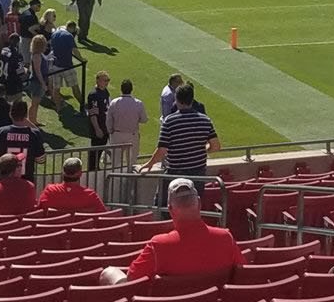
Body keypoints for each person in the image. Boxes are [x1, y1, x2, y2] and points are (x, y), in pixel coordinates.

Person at [98, 179, 242, 282]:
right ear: (199, 204)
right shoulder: (225, 238)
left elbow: (130, 282)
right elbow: (243, 272)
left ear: (170, 209)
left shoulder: (159, 245)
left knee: (108, 273)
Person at [146, 82, 219, 193]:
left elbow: (162, 150)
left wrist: (150, 163)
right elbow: (216, 146)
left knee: (164, 204)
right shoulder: (205, 120)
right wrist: (200, 151)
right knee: (193, 205)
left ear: (176, 99)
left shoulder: (169, 121)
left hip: (176, 173)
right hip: (198, 174)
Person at [39, 155, 107, 213]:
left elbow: (38, 211)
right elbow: (105, 217)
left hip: (54, 228)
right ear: (80, 174)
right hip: (81, 228)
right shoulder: (91, 195)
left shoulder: (49, 191)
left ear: (62, 173)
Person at [108, 77, 147, 170]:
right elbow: (144, 119)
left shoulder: (114, 102)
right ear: (131, 89)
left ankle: (115, 180)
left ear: (121, 89)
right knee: (132, 161)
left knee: (115, 162)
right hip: (132, 135)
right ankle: (130, 179)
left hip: (117, 134)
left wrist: (110, 131)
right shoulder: (138, 103)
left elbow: (109, 119)